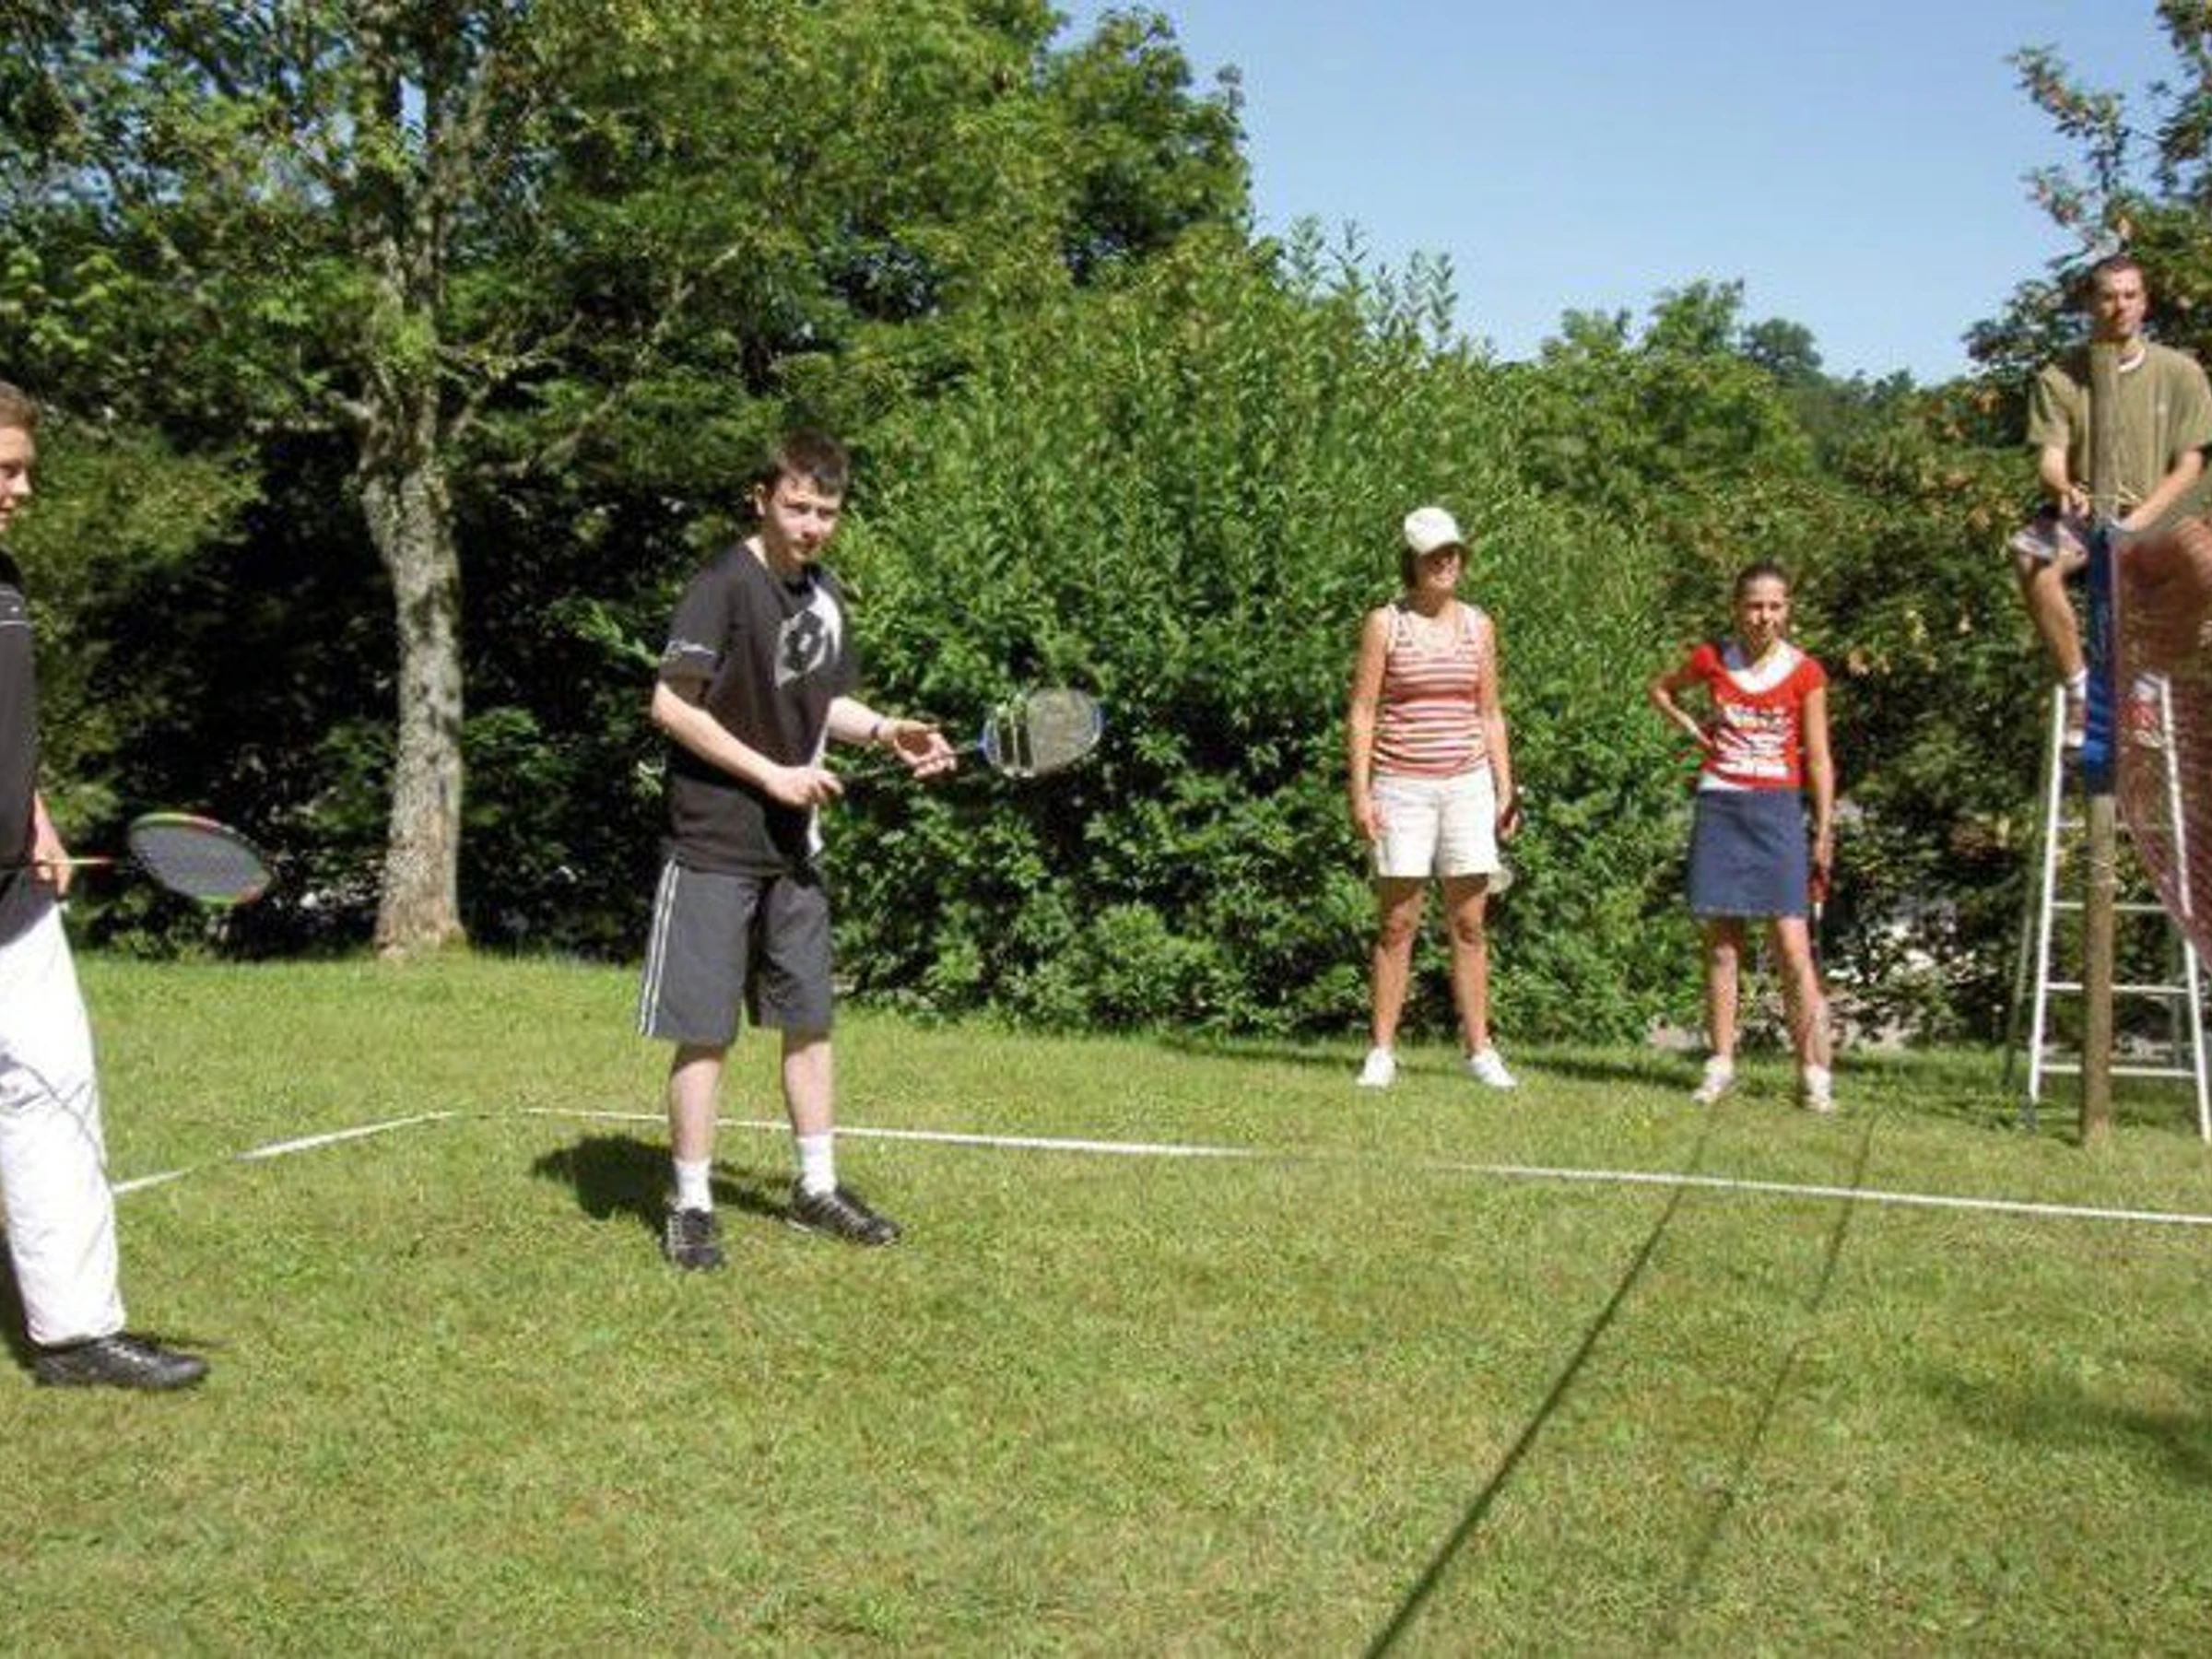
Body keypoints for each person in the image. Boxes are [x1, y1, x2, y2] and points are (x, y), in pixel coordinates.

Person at [638, 429, 954, 1270]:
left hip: (794, 849)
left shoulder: (825, 595)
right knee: (705, 1032)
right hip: (713, 841)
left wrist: (887, 730)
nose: (812, 525)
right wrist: (771, 775)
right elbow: (671, 705)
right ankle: (692, 1202)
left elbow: (826, 705)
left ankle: (816, 1189)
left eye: (827, 512)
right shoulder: (720, 585)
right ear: (762, 500)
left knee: (809, 1022)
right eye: (798, 507)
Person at [0, 381, 207, 1387]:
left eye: (24, 469)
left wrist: (33, 815)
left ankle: (76, 1334)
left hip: (15, 900)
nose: (23, 489)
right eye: (6, 470)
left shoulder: (3, 578)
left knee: (56, 1089)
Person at [1648, 559, 1835, 1112]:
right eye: (1755, 606)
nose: (1764, 617)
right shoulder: (1713, 659)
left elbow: (1818, 757)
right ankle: (1720, 1062)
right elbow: (1661, 689)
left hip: (1777, 810)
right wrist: (1694, 731)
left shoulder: (1806, 672)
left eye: (1775, 606)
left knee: (1792, 946)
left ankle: (1814, 1072)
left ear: (1788, 610)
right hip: (1721, 806)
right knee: (1722, 944)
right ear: (1737, 608)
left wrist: (1824, 827)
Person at [1346, 505, 1521, 1091]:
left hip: (1467, 786)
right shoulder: (1385, 624)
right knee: (1398, 923)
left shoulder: (1479, 626)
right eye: (1433, 555)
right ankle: (1381, 1051)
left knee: (1469, 923)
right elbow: (1363, 711)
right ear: (1413, 562)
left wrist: (1504, 789)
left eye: (1452, 552)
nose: (1445, 562)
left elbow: (1489, 712)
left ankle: (1480, 1050)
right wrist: (1361, 792)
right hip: (1401, 787)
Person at [2009, 253, 2212, 747]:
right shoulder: (2060, 376)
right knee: (2029, 554)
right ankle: (2082, 691)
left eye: (2129, 295)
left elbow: (2191, 465)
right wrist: (2065, 489)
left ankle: (2146, 692)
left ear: (2145, 303)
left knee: (2207, 566)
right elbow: (2050, 459)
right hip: (2086, 516)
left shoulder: (2181, 373)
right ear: (2089, 304)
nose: (2119, 306)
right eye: (2108, 296)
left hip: (2158, 515)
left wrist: (2139, 520)